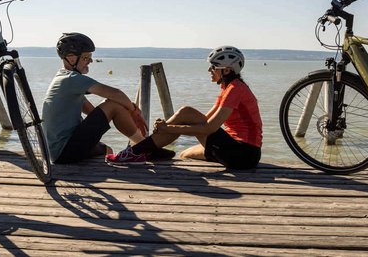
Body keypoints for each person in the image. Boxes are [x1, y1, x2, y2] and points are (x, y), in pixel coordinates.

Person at [106, 46, 263, 170]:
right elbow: (206, 121)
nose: (209, 71)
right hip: (237, 151)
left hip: (243, 154)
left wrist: (168, 128)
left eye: (213, 67)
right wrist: (169, 128)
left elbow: (208, 128)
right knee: (184, 154)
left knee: (186, 112)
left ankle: (135, 152)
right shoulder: (229, 89)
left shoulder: (235, 90)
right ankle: (148, 149)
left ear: (226, 70)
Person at [43, 33, 173, 164]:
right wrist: (134, 112)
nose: (90, 61)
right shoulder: (70, 79)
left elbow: (91, 111)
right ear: (71, 59)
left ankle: (144, 148)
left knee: (108, 150)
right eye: (86, 57)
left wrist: (123, 114)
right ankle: (147, 148)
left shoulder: (62, 79)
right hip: (65, 151)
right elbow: (115, 93)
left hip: (60, 152)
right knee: (113, 104)